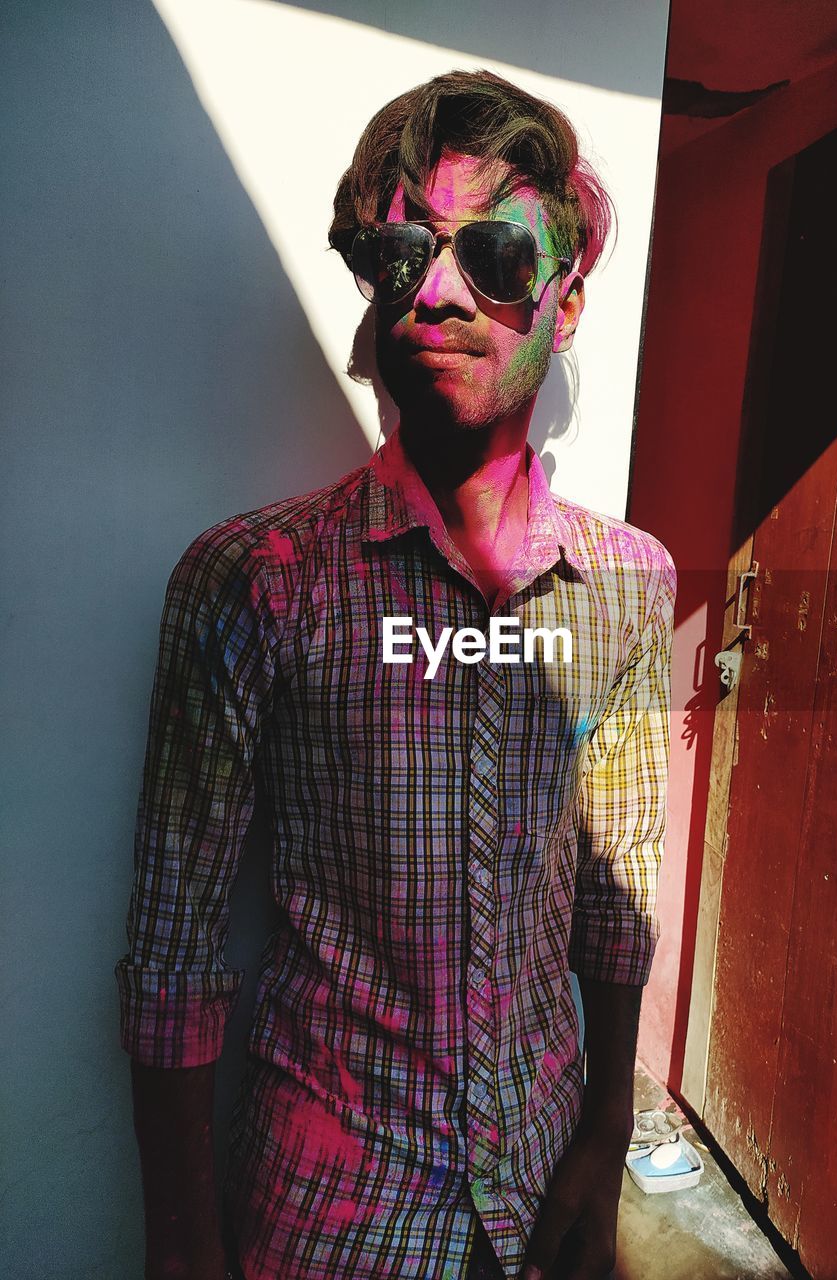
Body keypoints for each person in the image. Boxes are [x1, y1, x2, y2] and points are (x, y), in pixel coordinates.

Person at [115, 69, 676, 1280]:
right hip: (330, 1207)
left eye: (496, 256)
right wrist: (180, 1249)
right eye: (398, 252)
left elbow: (618, 879)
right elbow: (175, 944)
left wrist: (608, 1129)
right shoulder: (253, 581)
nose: (437, 289)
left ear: (566, 301)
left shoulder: (628, 586)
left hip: (544, 1179)